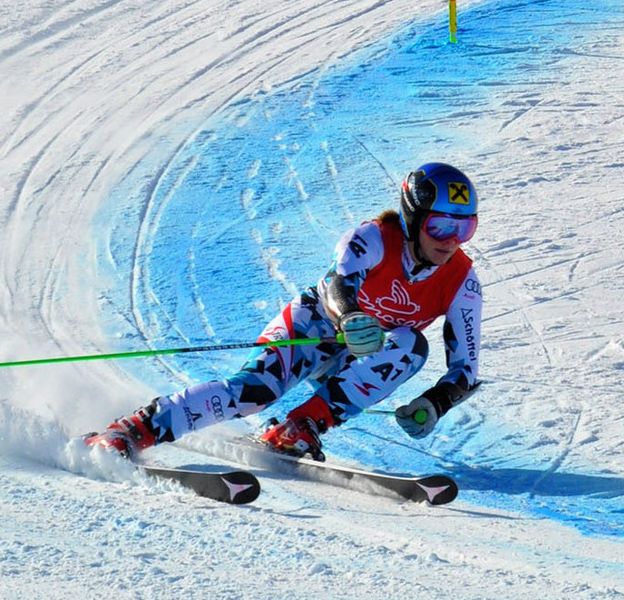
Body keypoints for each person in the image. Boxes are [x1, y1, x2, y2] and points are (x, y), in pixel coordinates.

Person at [85, 162, 481, 462]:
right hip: (316, 327)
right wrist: (348, 317)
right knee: (254, 392)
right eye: (441, 227)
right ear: (414, 219)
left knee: (412, 345)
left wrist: (434, 403)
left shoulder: (462, 281)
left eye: (464, 229)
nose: (451, 242)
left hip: (362, 357)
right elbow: (338, 285)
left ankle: (300, 426)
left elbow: (464, 369)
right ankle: (133, 430)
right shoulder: (374, 238)